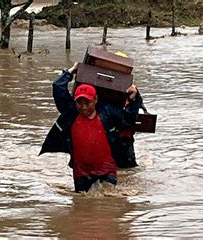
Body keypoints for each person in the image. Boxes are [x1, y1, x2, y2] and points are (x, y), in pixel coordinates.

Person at [39, 62, 142, 193]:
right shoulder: (70, 112)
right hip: (81, 172)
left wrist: (135, 97)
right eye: (79, 102)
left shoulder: (108, 112)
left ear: (96, 99)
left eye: (87, 102)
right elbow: (57, 86)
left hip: (107, 170)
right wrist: (72, 70)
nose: (83, 107)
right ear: (75, 101)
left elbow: (128, 121)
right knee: (82, 206)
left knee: (108, 205)